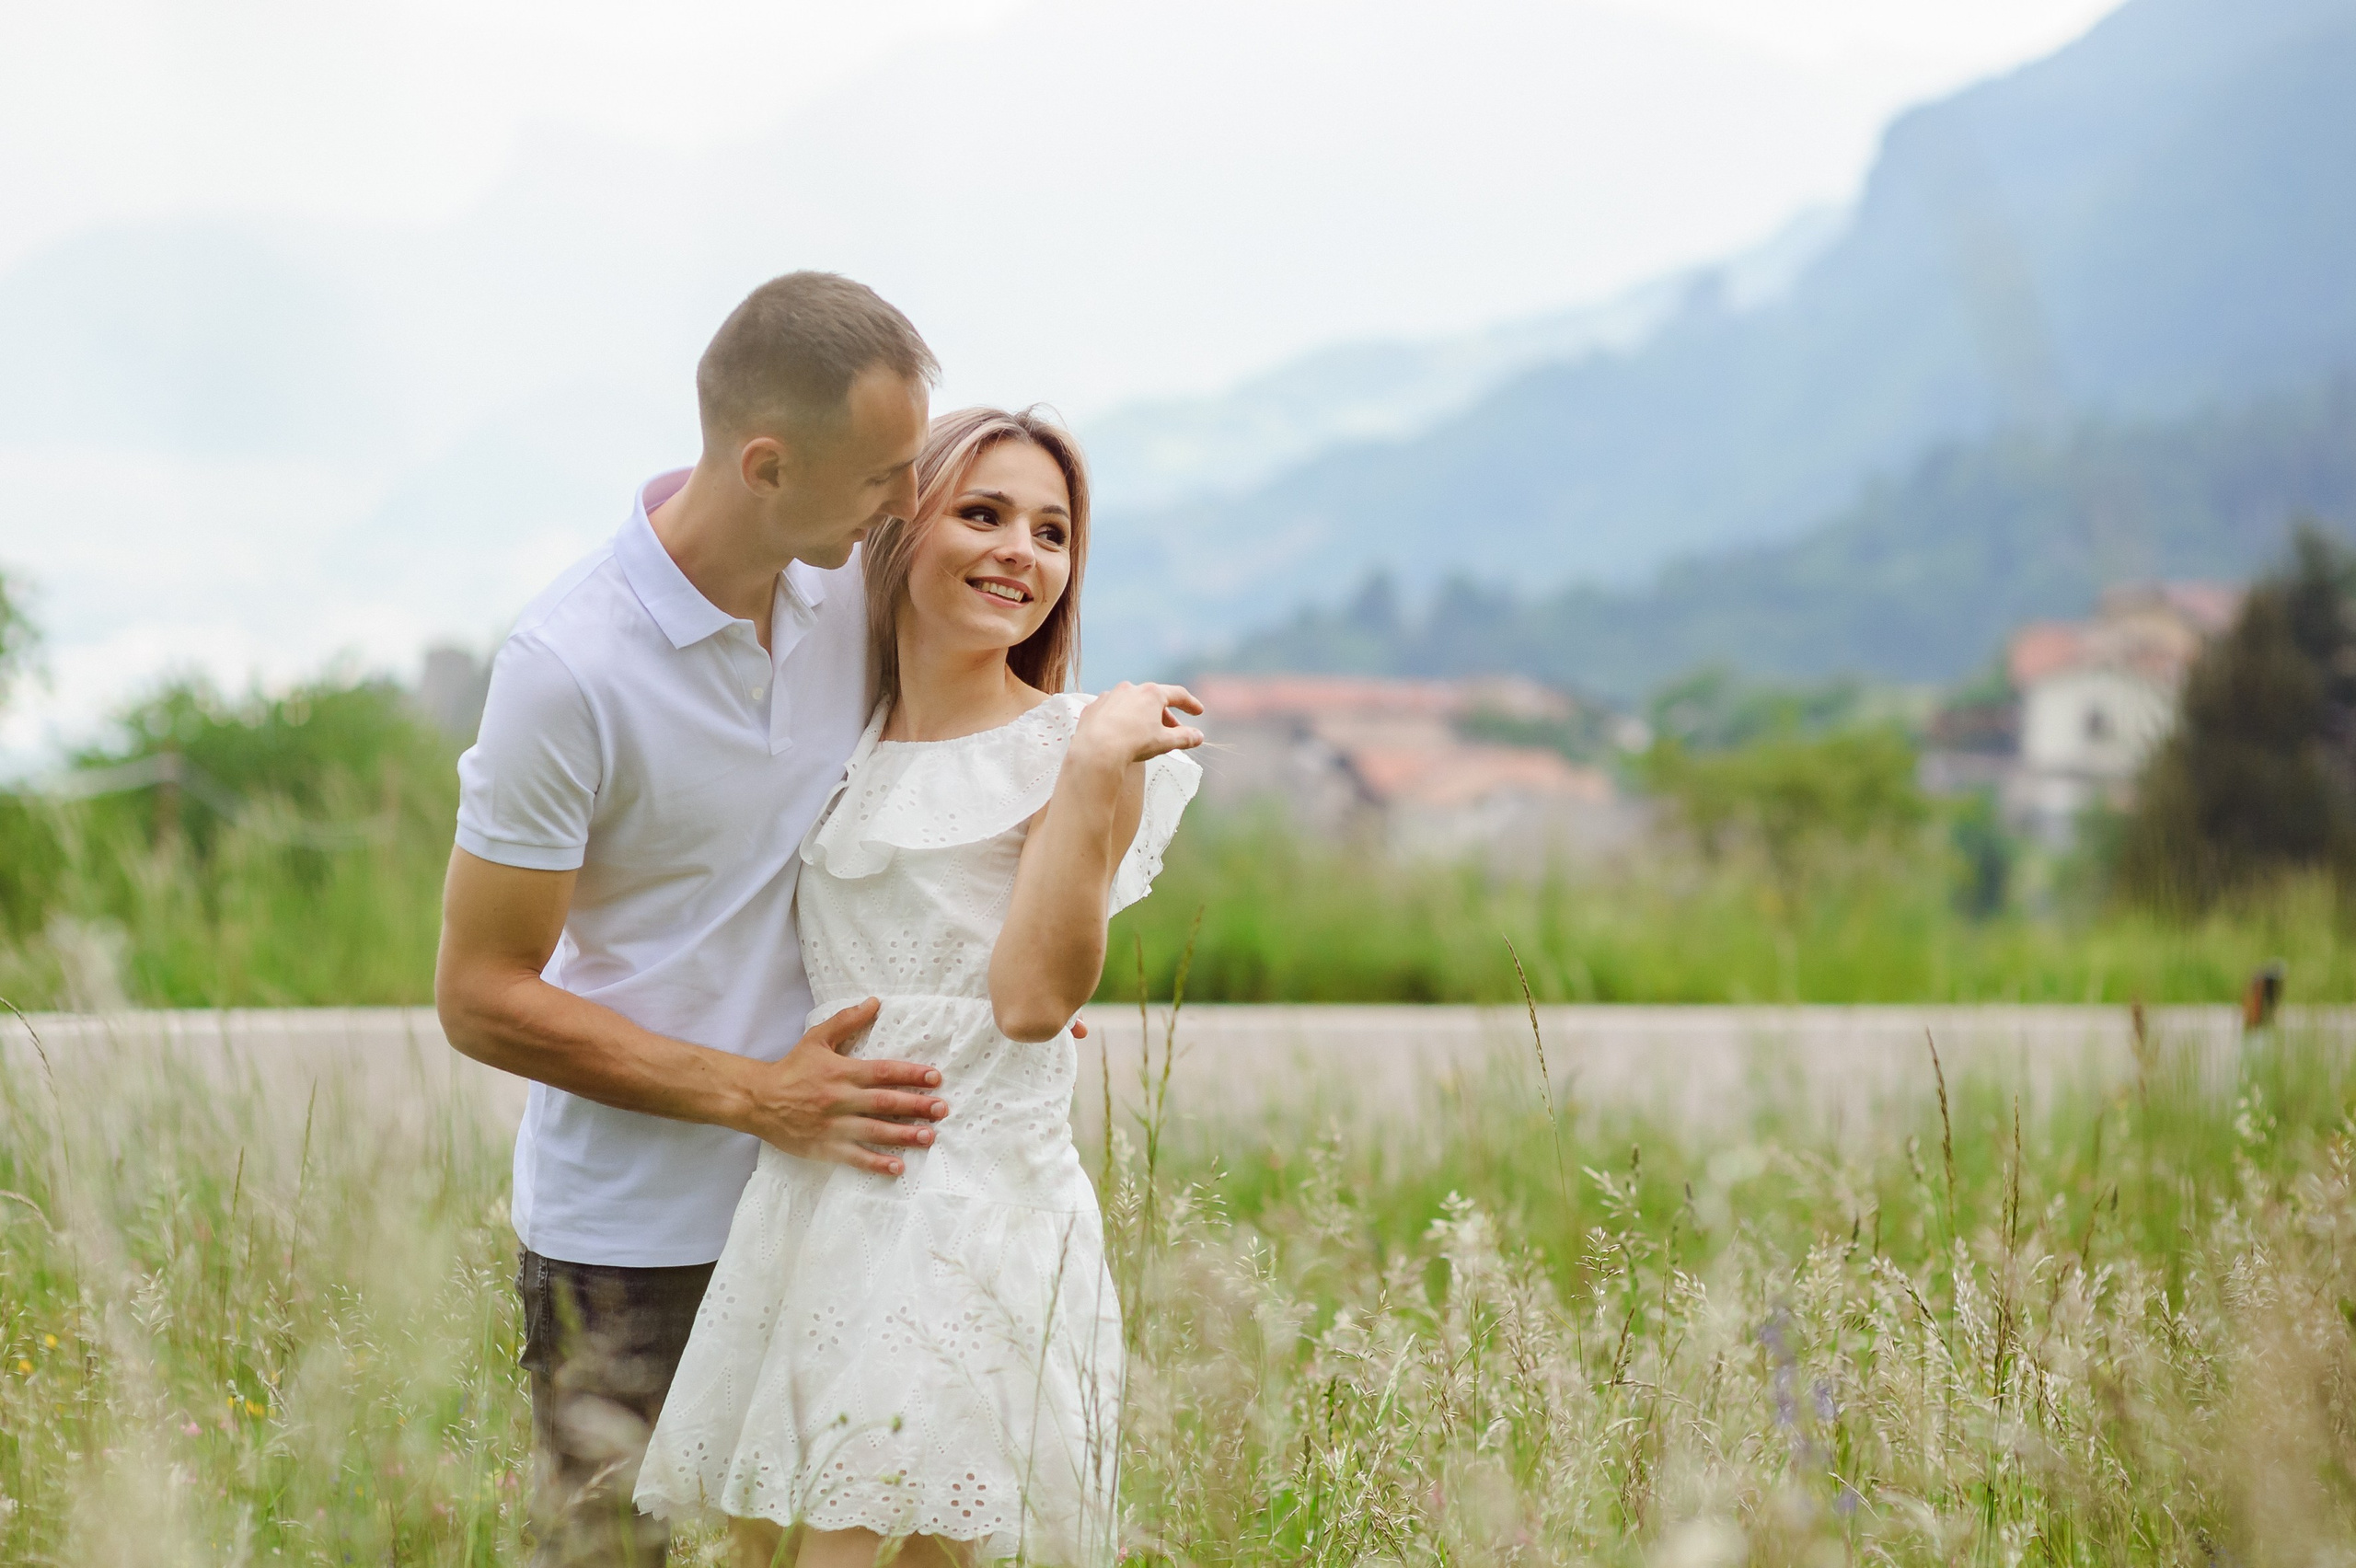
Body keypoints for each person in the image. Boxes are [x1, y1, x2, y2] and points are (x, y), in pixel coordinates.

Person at [436, 271, 964, 1567]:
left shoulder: (849, 580)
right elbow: (480, 992)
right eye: (888, 475)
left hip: (833, 1210)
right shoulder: (567, 670)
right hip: (630, 1247)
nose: (914, 502)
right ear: (768, 463)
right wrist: (754, 1095)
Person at [633, 407, 1204, 1568]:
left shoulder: (1080, 749)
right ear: (899, 528)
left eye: (1052, 533)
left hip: (973, 1214)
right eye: (982, 513)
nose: (1021, 553)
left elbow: (1034, 1003)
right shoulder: (836, 739)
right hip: (818, 1205)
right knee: (765, 1549)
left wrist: (1095, 764)